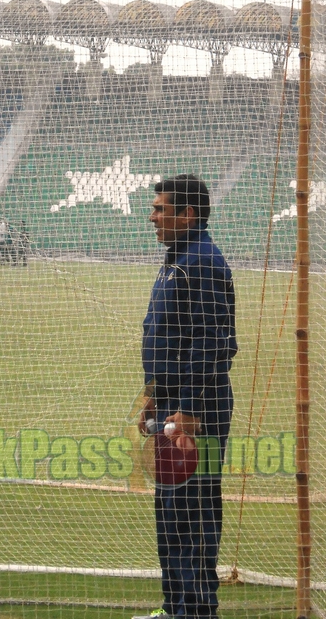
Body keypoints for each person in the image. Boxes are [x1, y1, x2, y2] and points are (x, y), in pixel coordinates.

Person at [134, 174, 237, 619]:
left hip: (197, 413)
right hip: (172, 407)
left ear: (186, 214)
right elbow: (170, 335)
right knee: (171, 519)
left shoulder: (202, 262)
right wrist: (154, 393)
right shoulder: (177, 258)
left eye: (160, 209)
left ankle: (196, 614)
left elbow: (215, 343)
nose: (152, 216)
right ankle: (176, 610)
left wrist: (189, 412)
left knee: (192, 518)